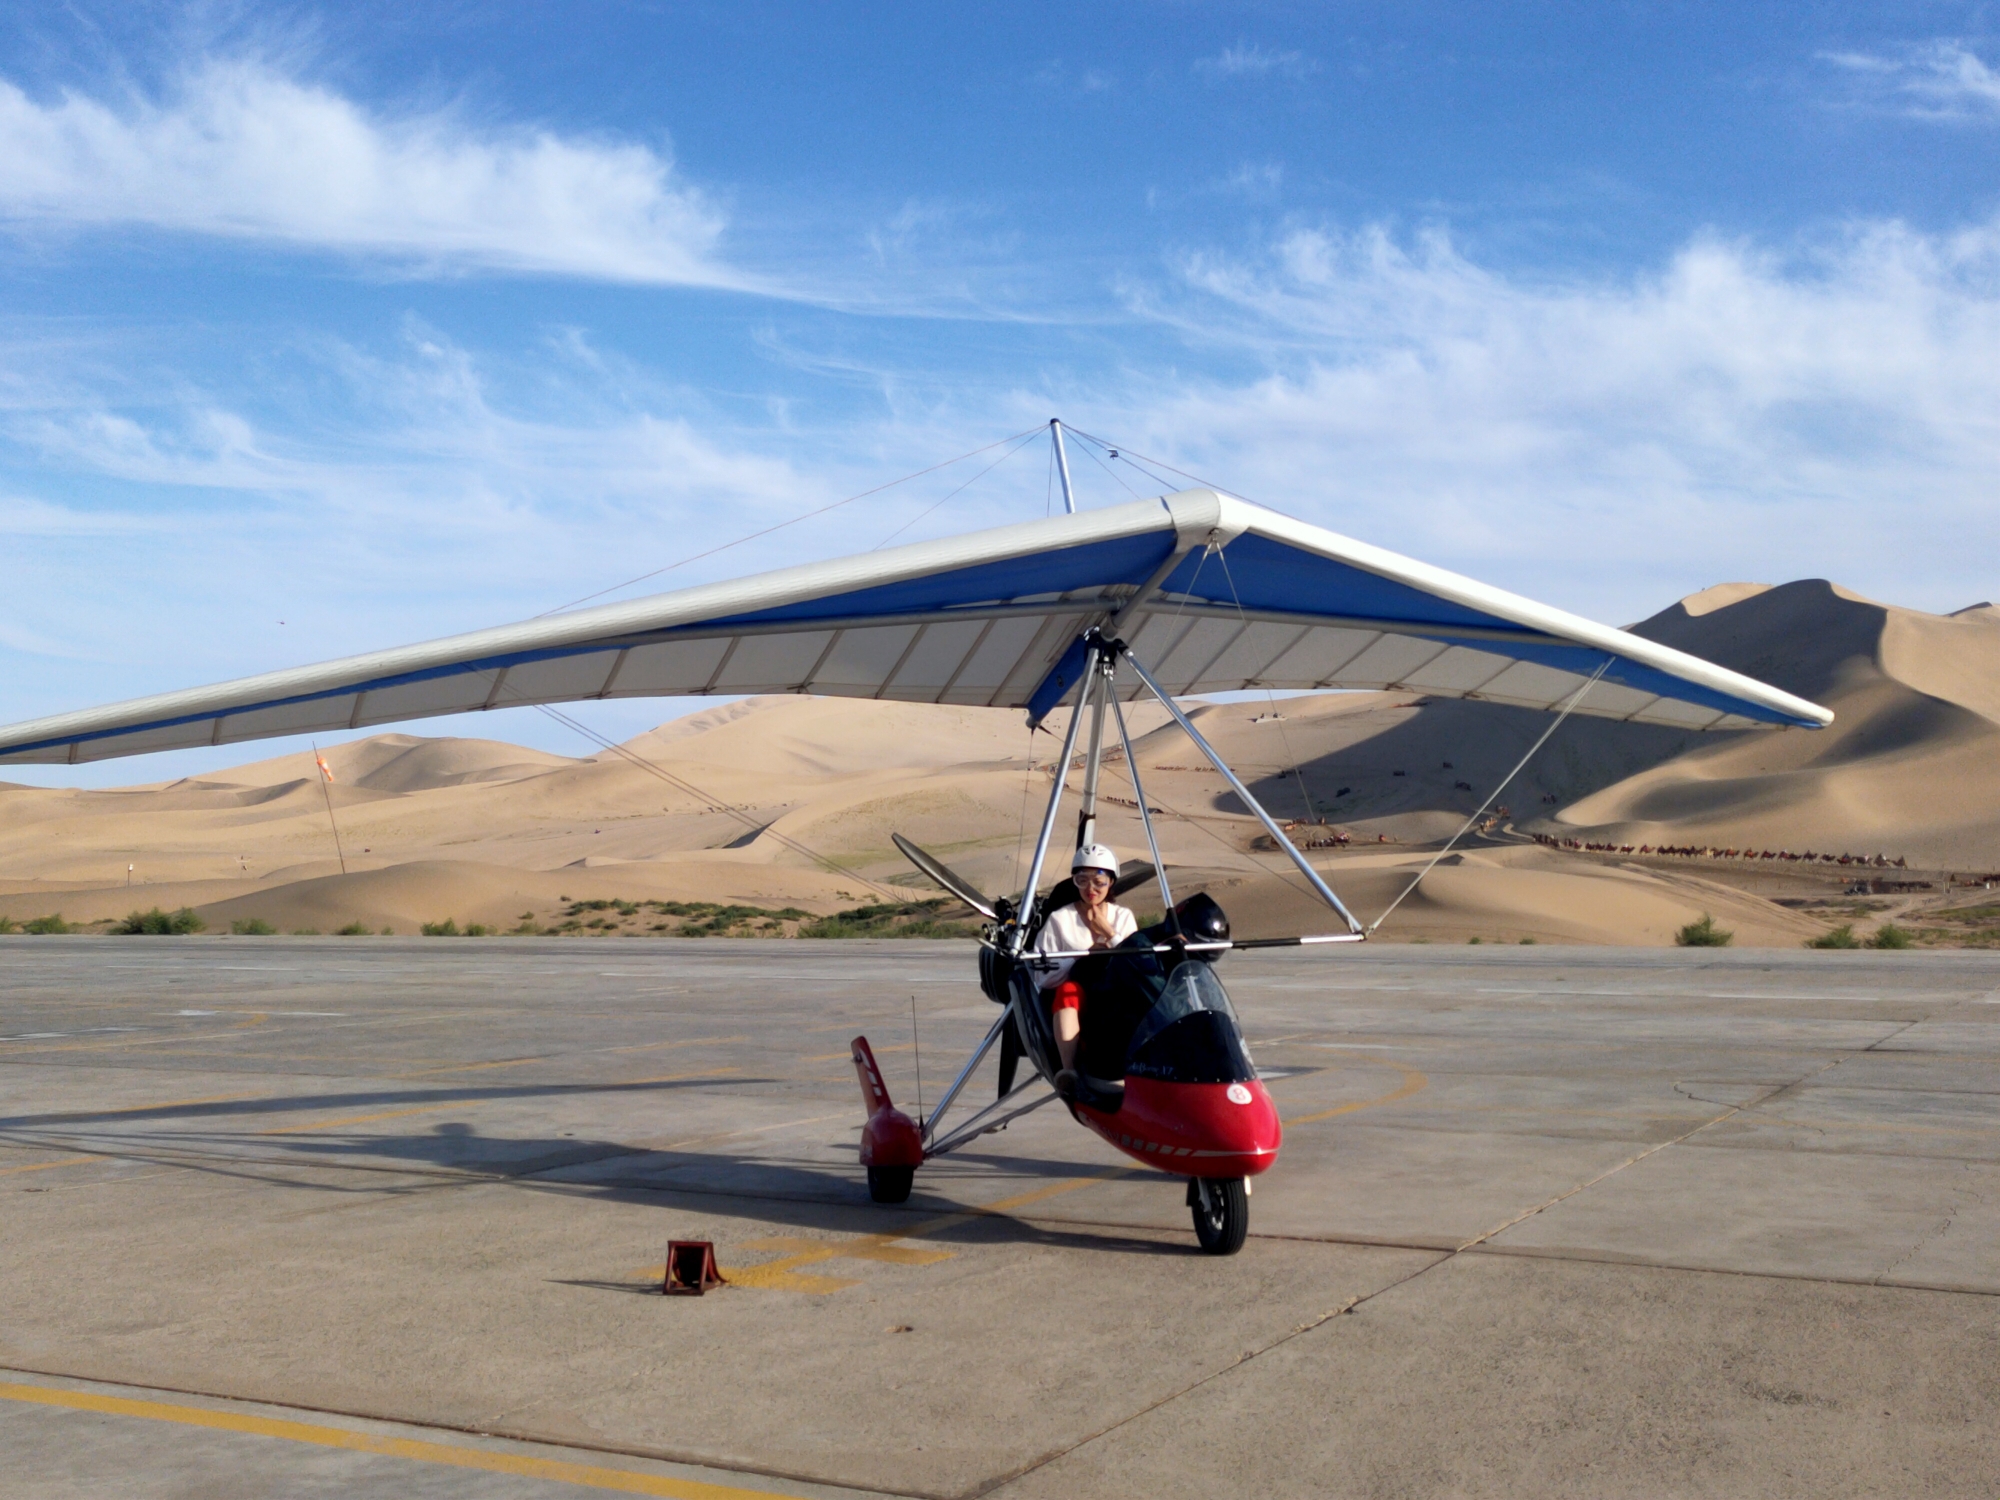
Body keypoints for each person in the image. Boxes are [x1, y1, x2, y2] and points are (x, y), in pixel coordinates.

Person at [1031, 844, 1137, 1097]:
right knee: (1068, 991)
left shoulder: (1122, 917)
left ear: (1111, 882)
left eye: (1099, 882)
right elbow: (1042, 975)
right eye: (1082, 881)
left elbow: (1136, 965)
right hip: (1074, 992)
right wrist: (1086, 957)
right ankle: (1068, 1069)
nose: (1091, 889)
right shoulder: (1060, 919)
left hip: (1113, 991)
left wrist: (1110, 935)